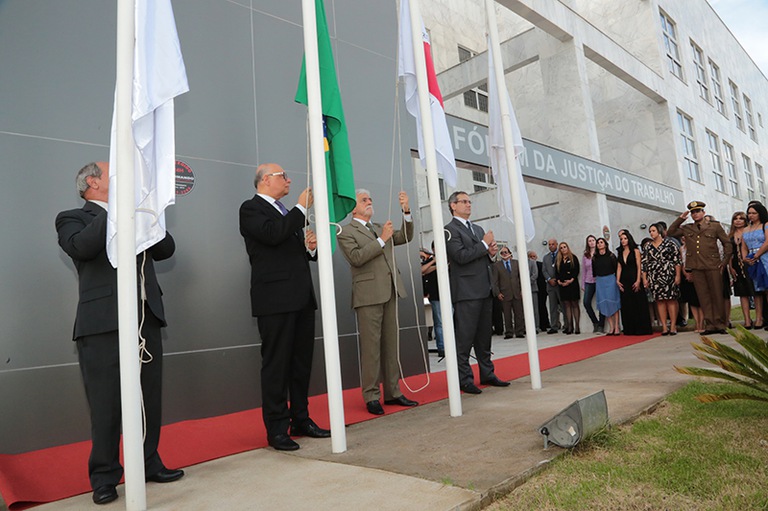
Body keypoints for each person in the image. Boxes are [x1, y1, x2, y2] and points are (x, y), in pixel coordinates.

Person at [55, 162, 184, 505]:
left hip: (146, 319)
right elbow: (82, 247)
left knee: (147, 400)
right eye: (114, 174)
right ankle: (105, 476)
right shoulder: (72, 217)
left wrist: (145, 212)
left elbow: (166, 249)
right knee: (106, 404)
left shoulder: (137, 213)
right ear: (92, 183)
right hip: (101, 325)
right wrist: (117, 210)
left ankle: (147, 462)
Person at [239, 163, 330, 451]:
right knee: (277, 366)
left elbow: (289, 248)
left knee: (301, 364)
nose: (289, 180)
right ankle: (277, 429)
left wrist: (309, 248)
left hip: (301, 298)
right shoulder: (251, 208)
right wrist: (301, 209)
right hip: (275, 301)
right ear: (266, 180)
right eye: (283, 176)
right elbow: (272, 235)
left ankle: (300, 419)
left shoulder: (284, 212)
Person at [338, 189, 418, 415]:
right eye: (364, 200)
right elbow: (356, 258)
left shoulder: (378, 227)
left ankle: (393, 392)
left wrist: (407, 212)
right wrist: (382, 239)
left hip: (390, 291)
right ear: (353, 208)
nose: (369, 202)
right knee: (371, 349)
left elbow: (405, 236)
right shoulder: (345, 231)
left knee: (391, 345)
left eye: (371, 199)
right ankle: (371, 395)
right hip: (368, 295)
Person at [444, 191, 510, 394]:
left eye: (469, 201)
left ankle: (487, 373)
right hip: (466, 292)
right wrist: (482, 245)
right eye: (464, 201)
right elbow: (460, 256)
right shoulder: (449, 230)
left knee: (484, 337)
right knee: (464, 339)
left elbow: (481, 258)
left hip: (483, 289)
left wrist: (489, 253)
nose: (468, 205)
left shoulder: (478, 228)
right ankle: (464, 379)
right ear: (453, 206)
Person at [667, 201, 732, 334]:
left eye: (697, 211)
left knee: (717, 294)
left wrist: (724, 261)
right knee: (703, 296)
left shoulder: (714, 226)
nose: (695, 214)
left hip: (713, 264)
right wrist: (680, 218)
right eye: (693, 212)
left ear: (703, 212)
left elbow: (727, 243)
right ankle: (709, 324)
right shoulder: (687, 228)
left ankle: (720, 324)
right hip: (696, 266)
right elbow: (671, 232)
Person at [641, 223, 682, 335]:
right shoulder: (648, 247)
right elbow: (644, 264)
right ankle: (664, 326)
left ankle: (673, 326)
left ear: (659, 231)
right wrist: (645, 278)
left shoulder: (670, 244)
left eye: (653, 230)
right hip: (654, 276)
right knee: (659, 301)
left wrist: (678, 275)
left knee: (671, 300)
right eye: (650, 231)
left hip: (669, 274)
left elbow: (677, 261)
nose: (651, 233)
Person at [616, 230, 653, 335]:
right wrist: (617, 280)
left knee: (638, 303)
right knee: (627, 303)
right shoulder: (620, 251)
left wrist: (638, 280)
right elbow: (619, 266)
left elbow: (638, 266)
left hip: (634, 277)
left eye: (625, 238)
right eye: (621, 239)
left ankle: (642, 328)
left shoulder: (635, 250)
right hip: (624, 279)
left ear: (629, 238)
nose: (623, 241)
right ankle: (629, 328)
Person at [741, 202, 768, 329]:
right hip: (751, 260)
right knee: (756, 291)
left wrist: (757, 255)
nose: (750, 215)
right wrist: (745, 258)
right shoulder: (746, 229)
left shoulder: (765, 226)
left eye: (754, 213)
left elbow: (767, 242)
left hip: (764, 258)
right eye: (749, 213)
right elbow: (743, 246)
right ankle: (758, 318)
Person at [728, 211, 755, 328]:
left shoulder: (750, 231)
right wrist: (730, 267)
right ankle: (747, 320)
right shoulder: (730, 236)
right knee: (742, 293)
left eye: (741, 218)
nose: (738, 220)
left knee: (754, 291)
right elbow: (729, 253)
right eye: (735, 218)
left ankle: (759, 318)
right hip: (736, 265)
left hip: (749, 262)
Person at [492, 246, 525, 339]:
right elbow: (495, 281)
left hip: (517, 292)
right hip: (505, 293)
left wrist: (523, 290)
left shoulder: (516, 263)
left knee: (519, 313)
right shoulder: (497, 265)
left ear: (510, 253)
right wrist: (498, 293)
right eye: (502, 253)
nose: (504, 254)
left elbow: (521, 277)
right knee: (507, 314)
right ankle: (509, 332)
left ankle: (519, 331)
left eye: (506, 252)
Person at [592, 238, 621, 335]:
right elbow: (594, 272)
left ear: (605, 244)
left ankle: (617, 327)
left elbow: (616, 268)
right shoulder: (594, 257)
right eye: (598, 243)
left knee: (613, 303)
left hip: (611, 279)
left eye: (601, 242)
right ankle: (611, 327)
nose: (599, 244)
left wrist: (617, 280)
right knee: (604, 303)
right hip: (600, 280)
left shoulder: (611, 256)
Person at [420, 245, 444, 357]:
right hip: (435, 296)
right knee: (439, 323)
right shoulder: (430, 260)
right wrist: (435, 262)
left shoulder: (448, 257)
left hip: (450, 295)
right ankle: (442, 348)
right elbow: (422, 270)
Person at [555, 241, 581, 334]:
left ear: (567, 247)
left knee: (574, 304)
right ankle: (570, 326)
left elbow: (576, 270)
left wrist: (571, 280)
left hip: (572, 284)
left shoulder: (573, 258)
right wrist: (558, 281)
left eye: (564, 247)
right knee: (567, 305)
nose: (563, 249)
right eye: (561, 248)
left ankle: (577, 326)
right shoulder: (558, 260)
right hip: (563, 285)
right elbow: (557, 272)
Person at [582, 235, 604, 333]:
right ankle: (595, 322)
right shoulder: (585, 255)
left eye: (593, 240)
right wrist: (583, 284)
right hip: (588, 281)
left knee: (601, 303)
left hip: (598, 280)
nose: (591, 242)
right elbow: (584, 270)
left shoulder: (599, 254)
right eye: (589, 241)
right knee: (586, 302)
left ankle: (601, 325)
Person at [541, 238, 563, 334]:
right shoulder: (546, 257)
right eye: (549, 244)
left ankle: (567, 324)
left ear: (556, 244)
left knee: (563, 305)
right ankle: (554, 325)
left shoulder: (561, 254)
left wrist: (558, 279)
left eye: (553, 244)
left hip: (560, 284)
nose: (551, 246)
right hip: (550, 285)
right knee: (552, 306)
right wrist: (549, 279)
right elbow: (544, 270)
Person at [529, 251, 550, 332]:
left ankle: (544, 324)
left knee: (542, 307)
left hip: (541, 289)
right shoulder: (527, 266)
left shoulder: (541, 265)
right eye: (531, 256)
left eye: (534, 256)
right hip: (532, 288)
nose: (533, 258)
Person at [526, 250, 541, 333]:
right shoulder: (521, 263)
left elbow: (535, 274)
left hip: (532, 288)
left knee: (535, 309)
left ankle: (536, 326)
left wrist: (527, 282)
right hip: (523, 291)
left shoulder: (532, 263)